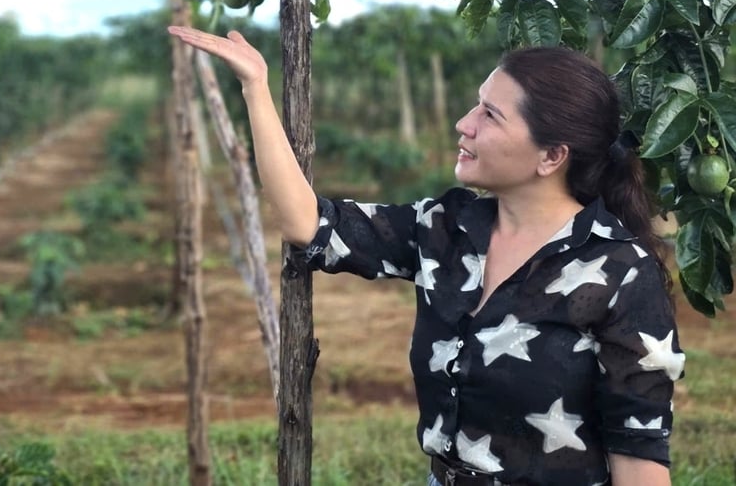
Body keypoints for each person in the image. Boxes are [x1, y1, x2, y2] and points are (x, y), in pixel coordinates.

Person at [167, 26, 684, 486]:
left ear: (551, 156)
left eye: (490, 115)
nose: (464, 123)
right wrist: (256, 88)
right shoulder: (447, 228)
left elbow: (638, 456)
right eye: (475, 103)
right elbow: (309, 223)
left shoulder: (620, 272)